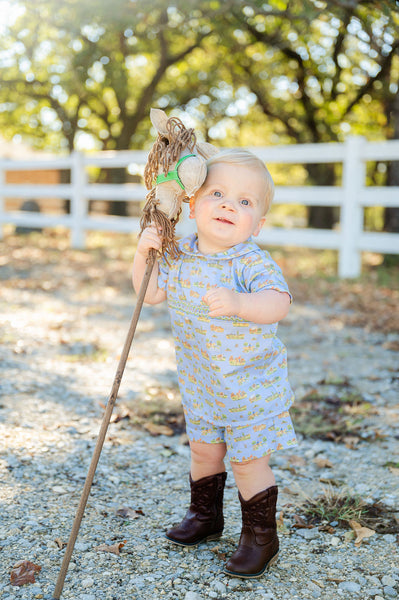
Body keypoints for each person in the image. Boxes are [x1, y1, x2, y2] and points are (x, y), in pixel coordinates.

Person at [132, 148, 297, 578]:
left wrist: (242, 302)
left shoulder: (251, 262)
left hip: (250, 386)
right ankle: (205, 517)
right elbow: (149, 294)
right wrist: (143, 254)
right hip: (202, 383)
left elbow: (278, 303)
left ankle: (260, 537)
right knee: (204, 451)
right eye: (218, 193)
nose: (228, 205)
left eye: (245, 202)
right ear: (192, 202)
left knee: (246, 461)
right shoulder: (179, 253)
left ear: (258, 223)